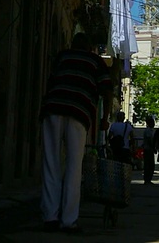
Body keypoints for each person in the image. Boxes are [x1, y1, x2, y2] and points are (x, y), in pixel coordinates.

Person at [39, 32, 113, 233]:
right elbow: (107, 91)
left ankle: (50, 217)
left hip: (53, 108)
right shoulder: (96, 61)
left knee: (51, 163)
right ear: (89, 48)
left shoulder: (63, 56)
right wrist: (105, 119)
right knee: (74, 167)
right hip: (78, 112)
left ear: (72, 45)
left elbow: (51, 82)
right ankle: (69, 220)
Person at [142, 116, 156, 184]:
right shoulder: (148, 131)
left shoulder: (152, 130)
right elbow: (149, 140)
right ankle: (147, 179)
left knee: (150, 165)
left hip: (149, 149)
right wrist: (153, 147)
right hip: (148, 149)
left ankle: (149, 179)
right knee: (148, 165)